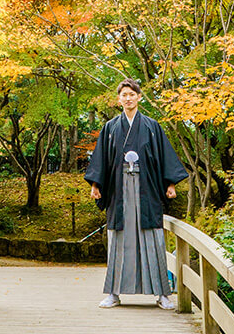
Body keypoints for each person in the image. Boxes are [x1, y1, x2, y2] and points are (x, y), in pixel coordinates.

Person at [84, 78, 188, 310]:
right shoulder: (110, 127)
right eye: (124, 95)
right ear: (119, 99)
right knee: (118, 239)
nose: (128, 98)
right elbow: (101, 159)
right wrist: (95, 184)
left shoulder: (152, 126)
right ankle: (113, 293)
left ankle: (162, 294)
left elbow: (164, 157)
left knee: (152, 238)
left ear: (139, 97)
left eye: (132, 94)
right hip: (118, 190)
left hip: (147, 189)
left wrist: (170, 183)